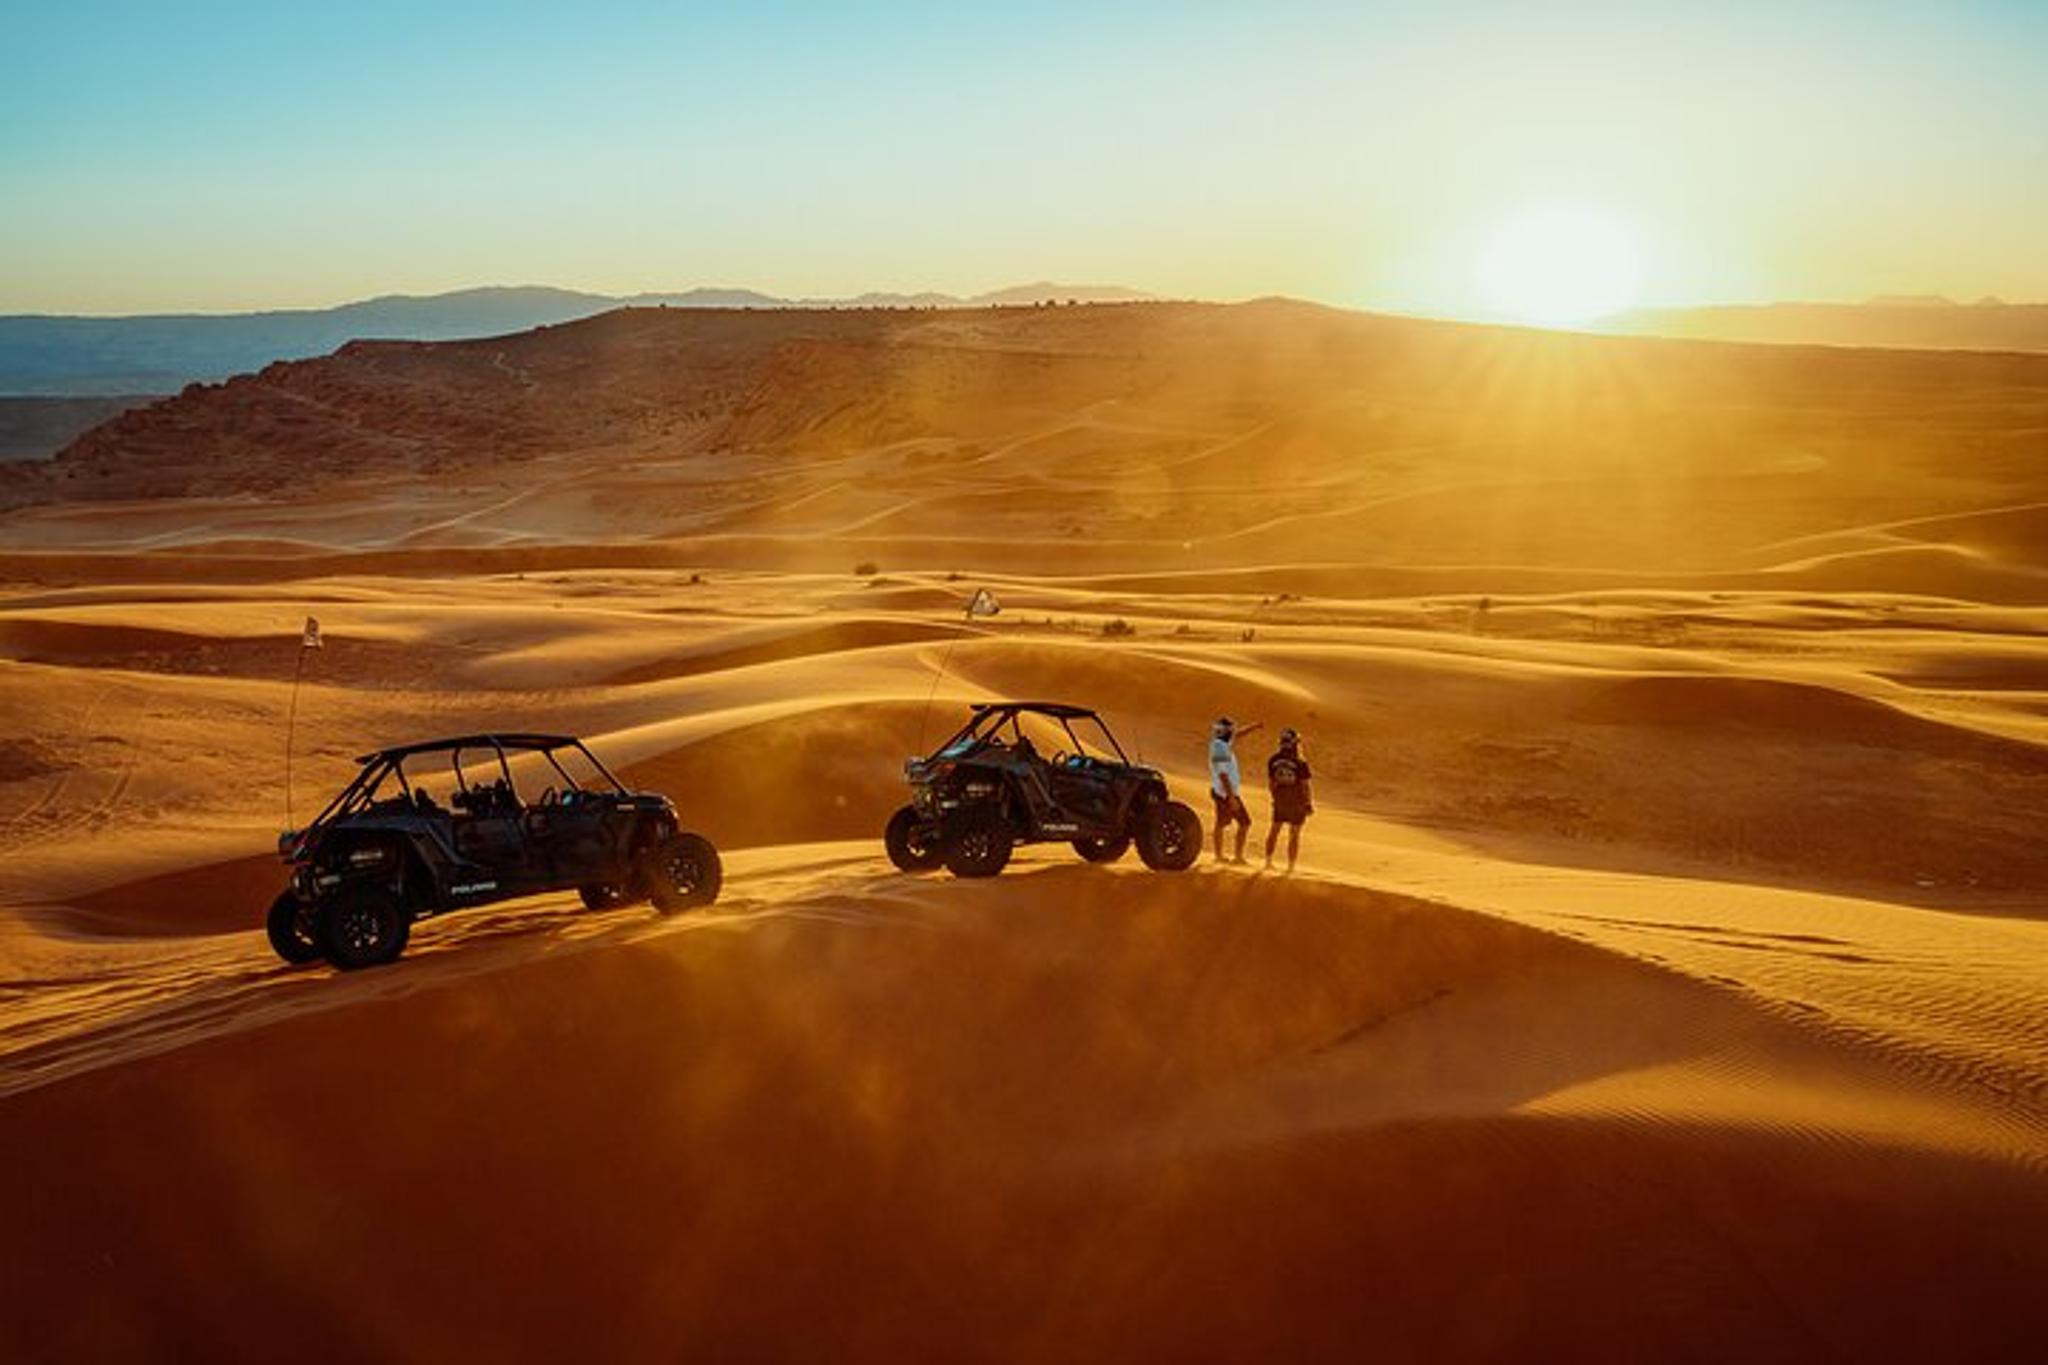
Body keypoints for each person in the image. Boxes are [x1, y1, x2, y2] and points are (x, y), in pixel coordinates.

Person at [1208, 716, 1262, 863]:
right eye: (1230, 731)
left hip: (1223, 791)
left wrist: (1253, 726)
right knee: (1244, 822)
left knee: (1222, 823)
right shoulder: (1220, 748)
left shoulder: (1221, 744)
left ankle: (1220, 856)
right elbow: (1223, 774)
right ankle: (1234, 857)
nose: (1232, 734)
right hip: (1225, 793)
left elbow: (1237, 735)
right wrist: (1231, 797)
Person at [1264, 728, 1314, 872]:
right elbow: (1305, 786)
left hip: (1280, 801)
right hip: (1297, 802)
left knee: (1274, 830)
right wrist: (1308, 803)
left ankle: (1268, 863)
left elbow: (1271, 783)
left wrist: (1276, 797)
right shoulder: (1300, 763)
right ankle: (1290, 867)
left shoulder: (1273, 760)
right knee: (1294, 834)